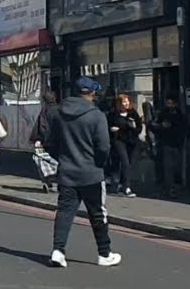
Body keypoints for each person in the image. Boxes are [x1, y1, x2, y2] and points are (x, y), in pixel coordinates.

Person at [47, 76, 120, 268]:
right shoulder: (97, 115)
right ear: (93, 93)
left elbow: (49, 143)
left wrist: (62, 158)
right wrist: (99, 164)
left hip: (67, 173)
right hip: (91, 173)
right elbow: (104, 146)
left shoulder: (58, 114)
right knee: (98, 214)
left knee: (64, 212)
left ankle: (58, 250)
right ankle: (104, 254)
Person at [108, 94, 142, 197]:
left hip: (131, 141)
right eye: (123, 102)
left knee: (128, 163)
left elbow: (138, 129)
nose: (126, 104)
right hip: (119, 140)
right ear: (119, 104)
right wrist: (112, 129)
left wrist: (133, 127)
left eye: (127, 101)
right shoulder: (113, 114)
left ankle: (121, 183)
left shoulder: (133, 114)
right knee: (125, 162)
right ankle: (127, 187)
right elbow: (108, 125)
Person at [152, 95, 186, 198]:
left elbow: (184, 127)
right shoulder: (163, 113)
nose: (170, 105)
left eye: (172, 103)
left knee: (176, 166)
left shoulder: (180, 115)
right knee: (168, 167)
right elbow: (154, 126)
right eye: (168, 103)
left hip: (177, 143)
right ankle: (170, 188)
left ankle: (174, 187)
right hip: (166, 143)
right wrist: (161, 126)